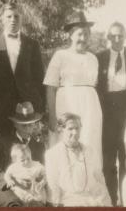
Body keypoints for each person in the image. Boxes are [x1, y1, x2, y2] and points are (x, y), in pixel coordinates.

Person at [43, 11, 103, 167]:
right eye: (80, 34)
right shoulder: (60, 56)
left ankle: (88, 185)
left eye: (86, 34)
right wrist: (51, 117)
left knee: (89, 141)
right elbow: (50, 88)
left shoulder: (93, 58)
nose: (83, 38)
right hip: (67, 105)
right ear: (71, 35)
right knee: (66, 143)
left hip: (90, 108)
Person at [96, 22, 126, 206]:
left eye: (120, 35)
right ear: (108, 37)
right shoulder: (99, 57)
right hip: (106, 110)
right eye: (113, 36)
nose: (116, 39)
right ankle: (111, 201)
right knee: (108, 161)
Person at [0, 2, 45, 137]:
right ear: (1, 19)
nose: (13, 20)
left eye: (16, 16)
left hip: (28, 107)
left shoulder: (32, 44)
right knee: (4, 147)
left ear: (21, 19)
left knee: (28, 148)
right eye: (8, 17)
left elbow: (39, 77)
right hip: (2, 106)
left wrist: (40, 108)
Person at [0, 102, 45, 207]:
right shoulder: (2, 142)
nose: (27, 128)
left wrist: (37, 181)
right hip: (7, 186)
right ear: (15, 124)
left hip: (32, 186)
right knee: (12, 202)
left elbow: (43, 168)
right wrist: (9, 182)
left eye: (30, 124)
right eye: (23, 125)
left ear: (35, 124)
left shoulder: (38, 146)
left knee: (40, 202)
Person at [45, 113, 112, 207]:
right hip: (68, 201)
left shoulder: (90, 151)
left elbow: (100, 179)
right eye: (70, 129)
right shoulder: (52, 154)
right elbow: (53, 186)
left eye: (77, 128)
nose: (75, 132)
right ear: (61, 130)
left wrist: (105, 202)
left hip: (93, 199)